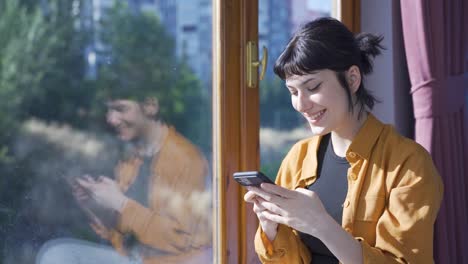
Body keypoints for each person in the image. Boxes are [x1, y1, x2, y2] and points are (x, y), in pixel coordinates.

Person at [244, 17, 443, 264]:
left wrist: (320, 224)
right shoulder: (297, 158)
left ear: (352, 79)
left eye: (312, 86)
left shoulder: (409, 164)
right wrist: (271, 227)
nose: (301, 104)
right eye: (293, 92)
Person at [36, 96, 212, 264]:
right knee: (57, 253)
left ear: (150, 106)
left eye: (121, 109)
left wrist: (120, 203)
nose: (111, 119)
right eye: (109, 110)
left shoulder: (186, 159)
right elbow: (123, 239)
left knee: (57, 256)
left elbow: (182, 240)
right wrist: (96, 206)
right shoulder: (132, 160)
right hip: (136, 258)